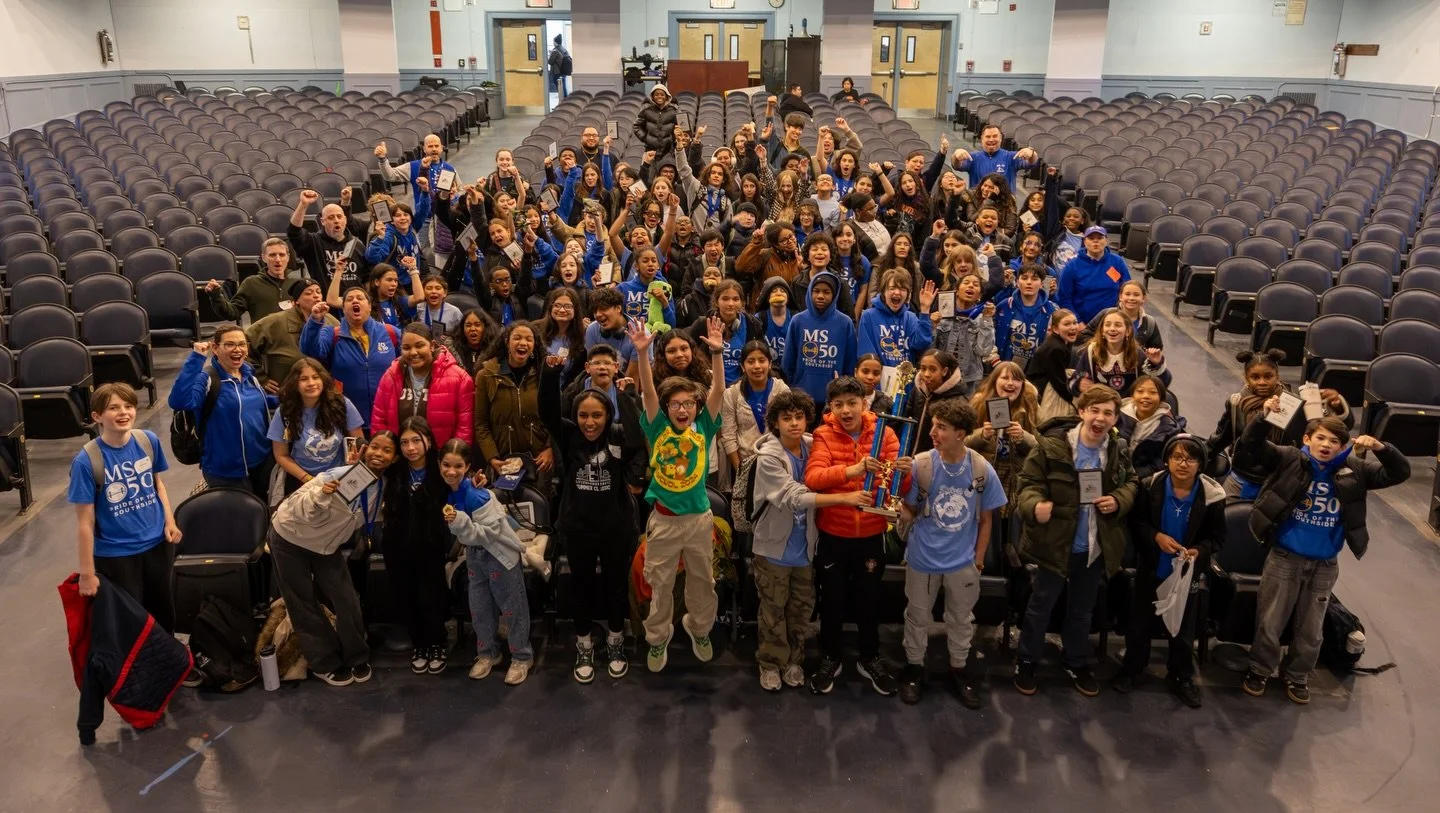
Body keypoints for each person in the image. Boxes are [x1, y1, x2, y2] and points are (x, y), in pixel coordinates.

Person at [1237, 409, 1409, 704]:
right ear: (1307, 439)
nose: (1326, 445)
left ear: (1343, 447)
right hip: (1285, 558)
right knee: (1270, 621)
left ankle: (1298, 676)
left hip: (1325, 564)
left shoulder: (1355, 470)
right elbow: (1250, 448)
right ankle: (1260, 670)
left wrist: (1382, 448)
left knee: (1311, 627)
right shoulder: (1289, 458)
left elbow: (1398, 473)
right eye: (1320, 438)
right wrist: (1263, 419)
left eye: (1334, 441)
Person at [1013, 384, 1137, 697]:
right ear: (1081, 412)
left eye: (1108, 413)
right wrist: (1035, 506)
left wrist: (1118, 500)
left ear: (1115, 419)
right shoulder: (1051, 447)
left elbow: (1133, 482)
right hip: (1055, 545)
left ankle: (1075, 660)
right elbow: (1027, 485)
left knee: (1082, 610)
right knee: (1041, 605)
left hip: (1094, 547)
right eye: (1094, 410)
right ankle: (1027, 660)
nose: (1100, 418)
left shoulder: (1118, 449)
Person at [751, 390, 871, 692]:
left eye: (799, 417)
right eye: (786, 418)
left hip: (805, 548)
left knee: (800, 610)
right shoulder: (768, 458)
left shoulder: (812, 446)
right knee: (773, 611)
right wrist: (845, 496)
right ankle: (769, 663)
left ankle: (793, 660)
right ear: (775, 423)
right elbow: (793, 496)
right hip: (774, 548)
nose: (794, 423)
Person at [538, 355, 647, 683]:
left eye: (596, 415)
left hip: (616, 528)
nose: (589, 422)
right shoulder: (569, 435)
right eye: (583, 415)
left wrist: (626, 396)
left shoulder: (617, 434)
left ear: (607, 415)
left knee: (615, 588)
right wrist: (550, 373)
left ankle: (615, 640)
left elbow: (638, 437)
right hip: (578, 528)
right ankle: (584, 643)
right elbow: (546, 410)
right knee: (581, 588)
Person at [629, 316, 727, 673]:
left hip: (699, 521)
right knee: (660, 585)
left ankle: (699, 629)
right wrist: (642, 354)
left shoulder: (704, 425)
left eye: (688, 404)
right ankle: (658, 637)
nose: (682, 409)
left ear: (697, 409)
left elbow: (717, 391)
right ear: (667, 409)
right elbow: (648, 393)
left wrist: (716, 353)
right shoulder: (657, 428)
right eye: (676, 404)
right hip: (664, 522)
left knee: (703, 583)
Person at [897, 398, 1007, 708]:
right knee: (917, 615)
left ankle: (959, 668)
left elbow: (987, 519)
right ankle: (914, 667)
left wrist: (979, 559)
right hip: (922, 557)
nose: (933, 432)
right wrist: (890, 499)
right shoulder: (922, 464)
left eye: (941, 428)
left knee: (961, 618)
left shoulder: (981, 468)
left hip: (962, 561)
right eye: (933, 425)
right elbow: (909, 511)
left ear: (961, 433)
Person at [805, 376, 909, 696]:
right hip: (833, 533)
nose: (846, 410)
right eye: (838, 405)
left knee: (869, 600)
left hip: (871, 533)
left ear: (865, 403)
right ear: (831, 408)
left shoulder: (886, 433)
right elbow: (814, 479)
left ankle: (869, 657)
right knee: (832, 601)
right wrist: (853, 471)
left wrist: (904, 475)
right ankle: (831, 656)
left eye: (852, 403)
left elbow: (896, 490)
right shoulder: (823, 434)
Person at [269, 432, 395, 687]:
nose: (378, 454)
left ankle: (357, 655)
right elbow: (302, 507)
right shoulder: (337, 476)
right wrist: (321, 496)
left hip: (326, 546)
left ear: (394, 458)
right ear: (365, 448)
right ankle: (324, 662)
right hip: (290, 536)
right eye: (374, 447)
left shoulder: (382, 486)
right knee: (302, 603)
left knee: (346, 598)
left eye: (387, 450)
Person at [1111, 434, 1225, 708]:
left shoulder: (1212, 496)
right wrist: (1156, 537)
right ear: (1167, 460)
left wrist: (1199, 550)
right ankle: (1133, 669)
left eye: (1190, 458)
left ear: (1200, 464)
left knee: (1183, 629)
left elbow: (1216, 537)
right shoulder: (1149, 486)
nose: (1183, 464)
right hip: (1152, 566)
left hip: (1186, 574)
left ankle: (1182, 676)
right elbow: (1136, 522)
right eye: (1177, 457)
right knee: (1139, 624)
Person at [68, 384, 182, 628]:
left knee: (164, 616)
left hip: (157, 545)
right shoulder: (87, 461)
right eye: (113, 408)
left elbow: (157, 484)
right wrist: (87, 573)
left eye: (128, 406)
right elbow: (85, 522)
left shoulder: (147, 441)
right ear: (97, 417)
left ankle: (168, 665)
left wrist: (169, 522)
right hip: (117, 554)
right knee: (131, 624)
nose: (123, 413)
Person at [440, 439, 535, 685]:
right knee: (480, 608)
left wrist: (459, 521)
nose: (451, 471)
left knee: (512, 606)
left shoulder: (478, 496)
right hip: (474, 555)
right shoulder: (451, 490)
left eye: (457, 466)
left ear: (468, 466)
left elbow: (490, 533)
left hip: (499, 555)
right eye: (446, 465)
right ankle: (487, 653)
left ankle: (521, 656)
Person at [1207, 349, 1353, 500]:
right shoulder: (1235, 403)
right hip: (1242, 480)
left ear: (1277, 376)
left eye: (1268, 376)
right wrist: (1198, 455)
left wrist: (1336, 405)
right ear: (1246, 378)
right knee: (1230, 520)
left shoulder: (1295, 404)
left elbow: (1335, 428)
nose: (1262, 382)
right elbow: (1220, 438)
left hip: (1282, 482)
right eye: (1255, 377)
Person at [383, 417, 453, 675]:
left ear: (428, 440)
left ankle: (437, 643)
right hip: (398, 545)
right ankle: (420, 644)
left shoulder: (441, 467)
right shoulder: (394, 469)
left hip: (431, 545)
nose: (410, 447)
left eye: (416, 440)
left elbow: (460, 489)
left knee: (431, 597)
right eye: (404, 442)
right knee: (407, 596)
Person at [169, 324, 274, 494]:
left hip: (262, 464)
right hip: (225, 471)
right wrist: (196, 359)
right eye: (230, 344)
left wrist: (287, 399)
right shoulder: (207, 379)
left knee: (264, 516)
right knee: (236, 519)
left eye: (242, 344)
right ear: (216, 349)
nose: (237, 349)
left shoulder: (249, 375)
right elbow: (179, 401)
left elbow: (256, 403)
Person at [299, 289, 401, 430]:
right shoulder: (332, 334)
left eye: (360, 298)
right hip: (346, 419)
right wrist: (315, 321)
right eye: (349, 299)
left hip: (387, 418)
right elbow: (309, 350)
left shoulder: (391, 333)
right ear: (343, 308)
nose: (355, 301)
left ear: (370, 306)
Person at [268, 358, 366, 497]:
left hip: (339, 479)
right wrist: (309, 480)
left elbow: (358, 442)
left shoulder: (342, 404)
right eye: (304, 379)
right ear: (295, 383)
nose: (311, 383)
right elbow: (281, 455)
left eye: (315, 377)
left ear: (323, 379)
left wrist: (349, 467)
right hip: (302, 481)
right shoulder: (285, 412)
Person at [473, 321, 553, 485]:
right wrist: (492, 457)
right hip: (503, 461)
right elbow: (480, 422)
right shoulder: (485, 375)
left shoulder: (545, 374)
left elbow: (555, 417)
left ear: (534, 346)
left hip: (538, 461)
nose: (523, 343)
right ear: (506, 342)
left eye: (529, 339)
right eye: (517, 338)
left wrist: (550, 448)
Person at [371, 323, 475, 447]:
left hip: (442, 460)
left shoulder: (460, 379)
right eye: (406, 348)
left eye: (419, 346)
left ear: (432, 346)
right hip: (400, 458)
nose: (413, 352)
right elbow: (379, 420)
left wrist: (452, 458)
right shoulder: (390, 376)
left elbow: (464, 428)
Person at [245, 278, 336, 393]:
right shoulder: (276, 321)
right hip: (286, 393)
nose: (316, 296)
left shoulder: (331, 322)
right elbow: (243, 343)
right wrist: (260, 378)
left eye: (318, 292)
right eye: (308, 293)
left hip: (323, 391)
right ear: (297, 300)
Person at [782, 271, 858, 410]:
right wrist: (792, 387)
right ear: (810, 292)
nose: (820, 296)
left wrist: (843, 389)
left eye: (826, 292)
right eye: (816, 291)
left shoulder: (845, 323)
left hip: (834, 398)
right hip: (801, 396)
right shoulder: (798, 321)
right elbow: (788, 361)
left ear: (834, 295)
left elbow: (850, 362)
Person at [720, 341, 790, 473]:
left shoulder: (781, 390)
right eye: (751, 361)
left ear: (769, 364)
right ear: (742, 366)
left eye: (762, 360)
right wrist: (740, 470)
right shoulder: (732, 394)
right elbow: (728, 435)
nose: (757, 366)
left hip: (777, 461)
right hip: (745, 462)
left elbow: (787, 428)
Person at [1071, 308, 1169, 399]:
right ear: (1102, 330)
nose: (1112, 329)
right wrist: (1079, 384)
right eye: (1108, 325)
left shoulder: (1137, 353)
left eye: (1118, 325)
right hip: (1100, 405)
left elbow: (1162, 384)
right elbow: (1074, 380)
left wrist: (1156, 364)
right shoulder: (1091, 352)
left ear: (1128, 331)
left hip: (1128, 408)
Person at [929, 271, 998, 397]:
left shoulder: (983, 319)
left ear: (979, 295)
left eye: (975, 284)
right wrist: (932, 326)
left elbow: (984, 351)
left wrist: (987, 320)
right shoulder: (942, 315)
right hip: (941, 379)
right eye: (966, 283)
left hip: (969, 382)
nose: (971, 286)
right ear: (956, 290)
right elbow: (930, 349)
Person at [288, 188, 368, 292]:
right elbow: (294, 232)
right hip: (326, 304)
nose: (336, 220)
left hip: (353, 304)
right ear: (322, 221)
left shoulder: (357, 244)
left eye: (339, 217)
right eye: (331, 218)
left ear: (345, 219)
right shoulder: (313, 242)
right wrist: (303, 205)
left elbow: (367, 276)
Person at [858, 269, 937, 371]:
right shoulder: (869, 316)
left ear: (908, 294)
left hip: (906, 382)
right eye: (892, 288)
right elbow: (865, 353)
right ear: (883, 292)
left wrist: (925, 310)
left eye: (903, 289)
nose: (897, 292)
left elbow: (921, 344)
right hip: (878, 381)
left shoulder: (911, 317)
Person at [204, 237, 298, 323]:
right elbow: (232, 313)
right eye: (272, 255)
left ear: (288, 257)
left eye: (282, 255)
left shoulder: (297, 285)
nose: (278, 259)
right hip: (262, 339)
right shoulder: (252, 283)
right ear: (264, 258)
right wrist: (216, 296)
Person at [1057, 225, 1130, 325]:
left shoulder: (1117, 262)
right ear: (1084, 241)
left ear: (1106, 241)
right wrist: (1078, 322)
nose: (1095, 241)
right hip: (1083, 325)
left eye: (1100, 238)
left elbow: (1127, 290)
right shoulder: (1072, 266)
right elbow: (1064, 298)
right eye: (1091, 238)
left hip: (1112, 323)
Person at [1118, 374, 1184, 479]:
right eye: (1140, 391)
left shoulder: (1169, 429)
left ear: (1161, 399)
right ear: (1132, 395)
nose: (1146, 396)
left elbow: (1160, 464)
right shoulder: (1116, 416)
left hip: (1144, 480)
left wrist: (1132, 478)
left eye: (1153, 392)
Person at [993, 263, 1056, 368]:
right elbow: (990, 337)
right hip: (1003, 367)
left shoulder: (1051, 310)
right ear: (1017, 282)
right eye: (1024, 278)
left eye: (1035, 279)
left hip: (1035, 371)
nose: (1029, 282)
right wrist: (996, 363)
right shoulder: (1004, 306)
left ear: (1042, 284)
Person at [1026, 309, 1083, 423]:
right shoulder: (1056, 349)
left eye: (1075, 322)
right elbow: (1058, 381)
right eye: (1067, 324)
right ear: (1055, 329)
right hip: (1041, 389)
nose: (1073, 327)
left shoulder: (1065, 342)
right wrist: (1075, 400)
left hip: (1049, 381)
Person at [909, 349, 970, 454]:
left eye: (933, 369)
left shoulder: (958, 400)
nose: (926, 374)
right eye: (923, 369)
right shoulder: (917, 391)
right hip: (911, 457)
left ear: (944, 371)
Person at [951, 124, 1037, 190]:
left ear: (1001, 138)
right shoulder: (972, 158)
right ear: (982, 139)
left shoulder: (1011, 157)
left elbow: (1031, 163)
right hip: (978, 207)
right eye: (988, 137)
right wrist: (956, 156)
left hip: (1004, 207)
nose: (991, 140)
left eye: (995, 136)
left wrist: (1032, 153)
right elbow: (956, 166)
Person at [448, 308, 501, 376]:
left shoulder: (495, 351)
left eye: (477, 325)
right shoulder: (451, 352)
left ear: (485, 327)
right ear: (462, 328)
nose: (472, 329)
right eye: (468, 325)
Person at [634, 84, 678, 159]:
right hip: (650, 151)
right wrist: (645, 138)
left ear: (667, 96)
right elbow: (637, 126)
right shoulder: (646, 110)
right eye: (656, 95)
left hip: (669, 151)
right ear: (652, 97)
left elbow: (679, 127)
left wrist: (672, 139)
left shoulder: (674, 110)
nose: (659, 96)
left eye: (662, 94)